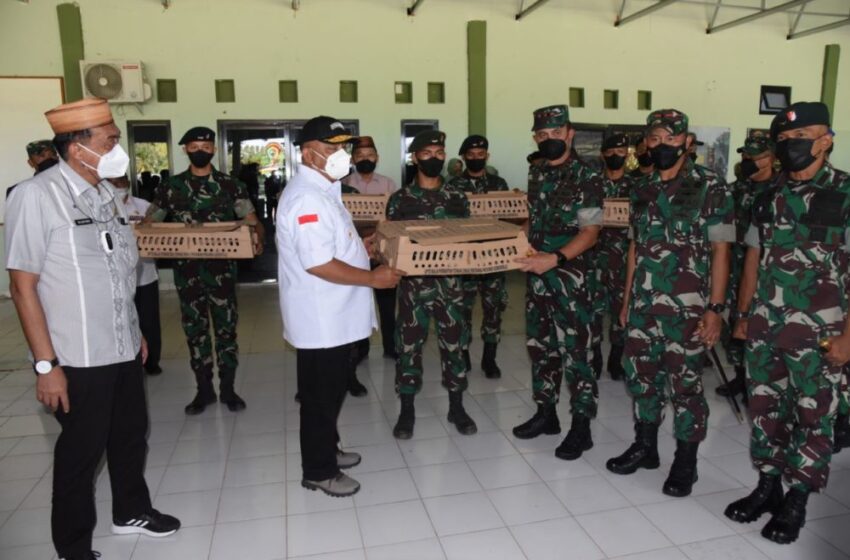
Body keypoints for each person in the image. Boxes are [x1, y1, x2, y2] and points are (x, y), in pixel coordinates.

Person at [5, 98, 180, 560]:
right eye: (109, 140)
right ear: (77, 146)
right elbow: (23, 287)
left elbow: (118, 272)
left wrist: (136, 331)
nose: (116, 147)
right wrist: (47, 365)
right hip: (76, 355)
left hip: (121, 346)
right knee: (81, 454)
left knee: (129, 434)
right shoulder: (35, 196)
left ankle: (131, 511)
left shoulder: (106, 193)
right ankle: (73, 546)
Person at [725, 102, 850, 544]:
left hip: (820, 336)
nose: (792, 145)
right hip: (764, 328)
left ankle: (797, 499)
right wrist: (742, 316)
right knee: (765, 410)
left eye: (802, 137)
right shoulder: (771, 196)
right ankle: (767, 487)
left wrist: (848, 338)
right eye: (785, 140)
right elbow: (754, 258)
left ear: (826, 140)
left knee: (814, 418)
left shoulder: (846, 195)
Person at [607, 109, 734, 498]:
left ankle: (686, 462)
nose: (662, 146)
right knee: (641, 379)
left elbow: (721, 248)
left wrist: (716, 309)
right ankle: (645, 447)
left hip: (689, 310)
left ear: (687, 143)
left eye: (670, 138)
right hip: (645, 306)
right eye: (655, 139)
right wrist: (627, 301)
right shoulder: (642, 188)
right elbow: (634, 247)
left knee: (686, 387)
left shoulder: (711, 186)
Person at [277, 116, 402, 497]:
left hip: (335, 315)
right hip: (321, 319)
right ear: (307, 152)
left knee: (331, 392)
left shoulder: (326, 190)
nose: (340, 156)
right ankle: (318, 470)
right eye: (330, 149)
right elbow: (318, 263)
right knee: (319, 398)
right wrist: (372, 279)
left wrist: (360, 249)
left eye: (342, 148)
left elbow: (331, 247)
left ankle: (327, 449)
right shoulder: (306, 199)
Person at [145, 126, 265, 415]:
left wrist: (258, 236)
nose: (201, 150)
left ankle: (228, 389)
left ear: (213, 150)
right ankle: (204, 390)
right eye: (195, 146)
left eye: (206, 146)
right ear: (185, 149)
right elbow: (152, 224)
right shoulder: (170, 187)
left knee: (226, 330)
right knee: (195, 331)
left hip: (222, 271)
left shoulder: (230, 185)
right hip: (187, 273)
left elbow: (250, 220)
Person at [513, 104, 603, 462]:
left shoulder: (588, 176)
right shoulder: (537, 173)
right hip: (537, 278)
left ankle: (581, 426)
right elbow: (533, 222)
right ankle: (546, 413)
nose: (548, 139)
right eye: (542, 134)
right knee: (541, 348)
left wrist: (556, 258)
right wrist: (511, 239)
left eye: (555, 133)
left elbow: (591, 232)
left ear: (569, 133)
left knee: (579, 354)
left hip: (573, 281)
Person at [388, 130, 478, 439]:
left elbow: (468, 239)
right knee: (408, 348)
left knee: (455, 346)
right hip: (413, 288)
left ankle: (457, 406)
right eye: (427, 153)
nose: (434, 159)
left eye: (439, 153)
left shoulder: (457, 197)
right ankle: (407, 409)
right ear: (414, 158)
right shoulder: (400, 199)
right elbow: (390, 242)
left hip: (451, 287)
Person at [715, 135, 776, 401]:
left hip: (764, 273)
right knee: (735, 325)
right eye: (746, 156)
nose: (749, 161)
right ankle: (740, 377)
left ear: (772, 158)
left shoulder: (779, 191)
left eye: (757, 156)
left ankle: (760, 384)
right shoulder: (734, 190)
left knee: (760, 327)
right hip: (733, 268)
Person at [447, 134, 509, 378]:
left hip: (494, 256)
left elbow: (507, 217)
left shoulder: (499, 183)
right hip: (465, 258)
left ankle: (489, 359)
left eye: (480, 155)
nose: (475, 158)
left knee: (493, 309)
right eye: (470, 155)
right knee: (463, 310)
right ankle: (463, 354)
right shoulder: (452, 186)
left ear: (487, 156)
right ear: (463, 157)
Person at [345, 136, 400, 364]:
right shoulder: (344, 185)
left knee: (387, 303)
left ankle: (391, 346)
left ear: (377, 158)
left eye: (370, 156)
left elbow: (396, 217)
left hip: (381, 250)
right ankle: (360, 348)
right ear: (352, 159)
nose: (365, 159)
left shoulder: (388, 185)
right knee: (357, 302)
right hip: (353, 251)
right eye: (360, 156)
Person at [592, 134, 634, 381]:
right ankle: (595, 357)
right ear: (602, 154)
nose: (616, 155)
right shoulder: (592, 185)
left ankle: (615, 360)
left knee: (621, 311)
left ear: (627, 154)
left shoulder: (637, 188)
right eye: (611, 151)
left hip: (624, 262)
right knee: (594, 312)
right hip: (595, 260)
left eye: (621, 150)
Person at [113, 175, 163, 375]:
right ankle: (128, 363)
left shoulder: (144, 206)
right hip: (118, 278)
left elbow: (160, 234)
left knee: (149, 321)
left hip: (145, 276)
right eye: (113, 182)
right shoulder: (103, 209)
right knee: (122, 320)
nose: (119, 186)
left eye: (122, 181)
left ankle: (152, 362)